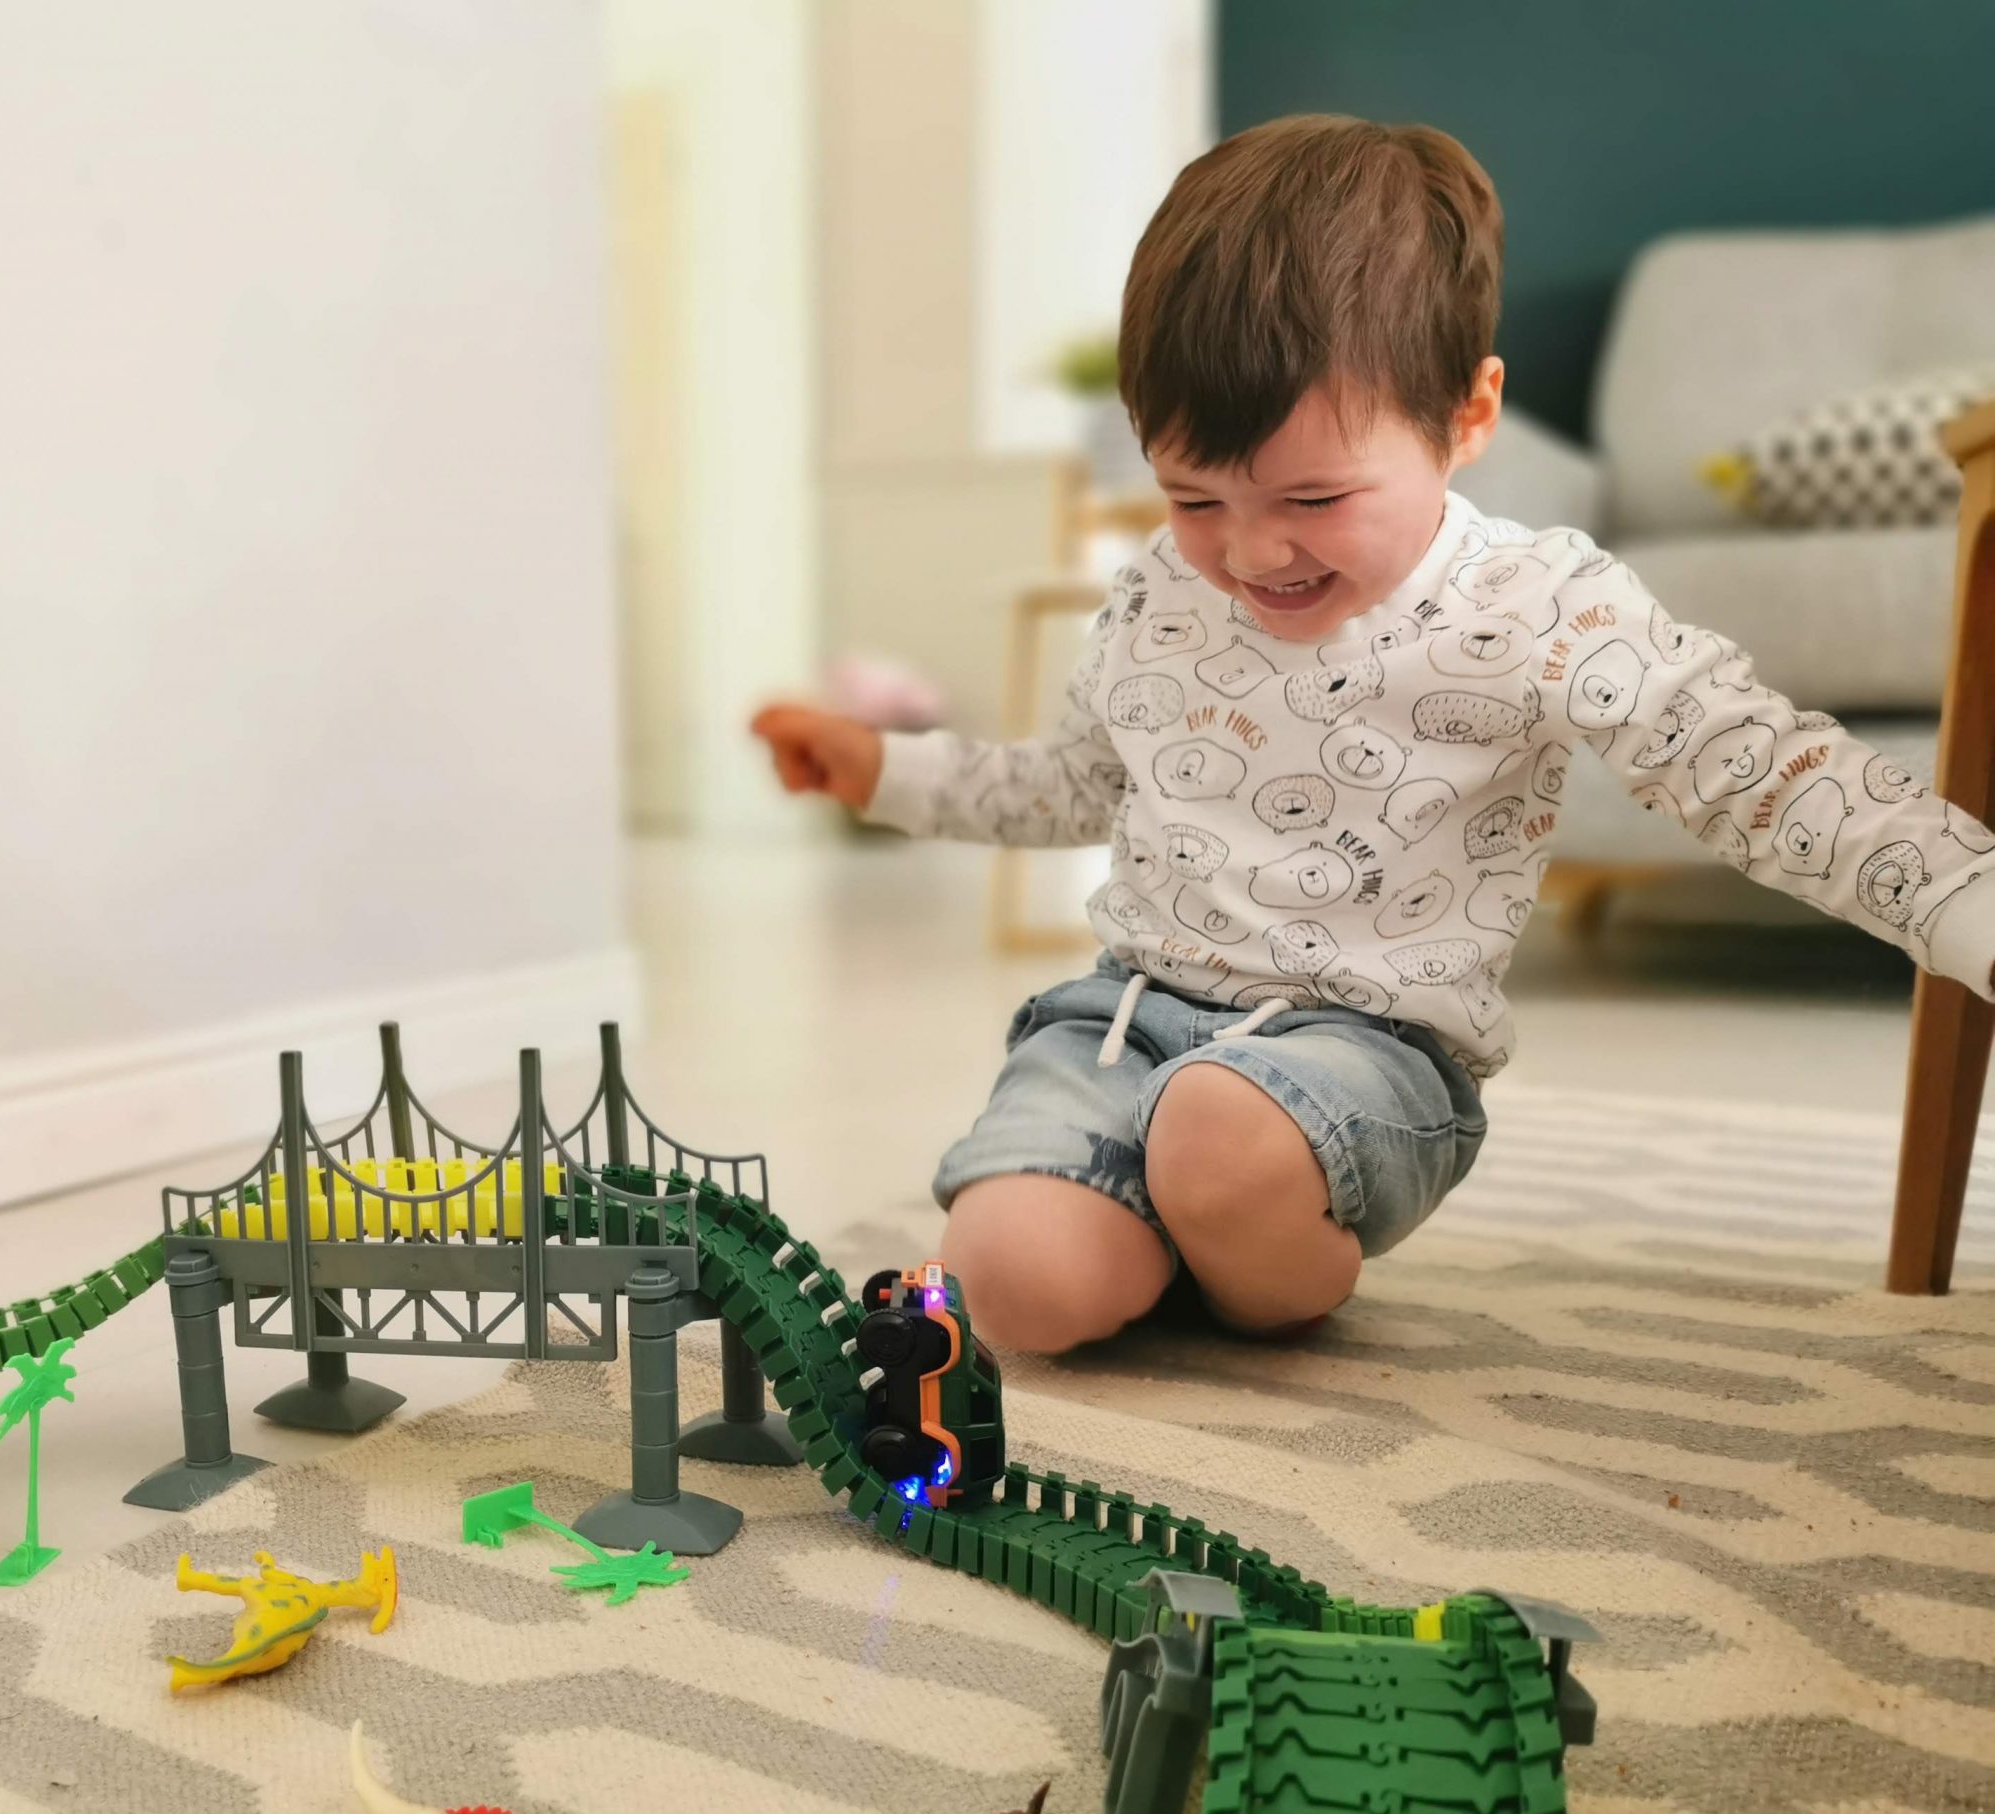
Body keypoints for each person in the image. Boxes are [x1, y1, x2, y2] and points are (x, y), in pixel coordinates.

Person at [751, 113, 1995, 1355]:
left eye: (1314, 499)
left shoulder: (1537, 605)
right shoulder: (1159, 592)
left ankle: (1253, 1263)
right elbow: (1075, 788)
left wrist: (1962, 902)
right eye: (1193, 497)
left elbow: (1752, 770)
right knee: (1013, 1286)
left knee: (1219, 1135)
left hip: (1360, 1059)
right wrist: (886, 769)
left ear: (1467, 418)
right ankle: (1157, 1230)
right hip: (1123, 1022)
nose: (1248, 553)